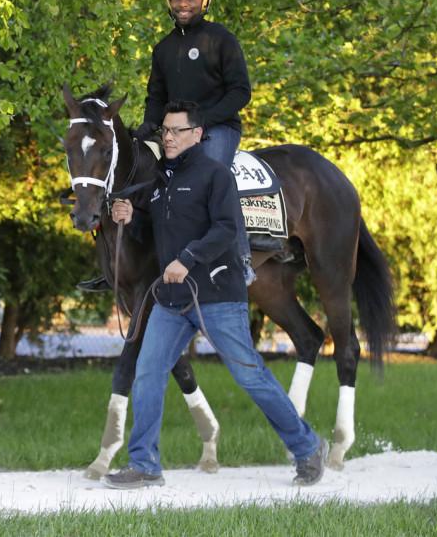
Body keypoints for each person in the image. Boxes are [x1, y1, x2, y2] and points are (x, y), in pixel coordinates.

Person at [102, 101, 328, 490]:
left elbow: (226, 229)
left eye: (176, 131)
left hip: (218, 296)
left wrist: (188, 259)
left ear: (197, 135)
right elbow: (153, 234)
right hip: (172, 300)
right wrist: (130, 218)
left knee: (250, 375)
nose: (168, 138)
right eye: (165, 131)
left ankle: (308, 447)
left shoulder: (215, 175)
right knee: (148, 372)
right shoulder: (161, 182)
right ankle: (145, 464)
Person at [78, 0, 255, 294]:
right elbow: (156, 95)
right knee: (135, 178)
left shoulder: (221, 39)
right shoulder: (163, 49)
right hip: (173, 131)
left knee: (214, 177)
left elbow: (240, 92)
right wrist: (149, 125)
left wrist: (202, 122)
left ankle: (240, 258)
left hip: (217, 128)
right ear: (169, 2)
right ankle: (122, 264)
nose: (183, 3)